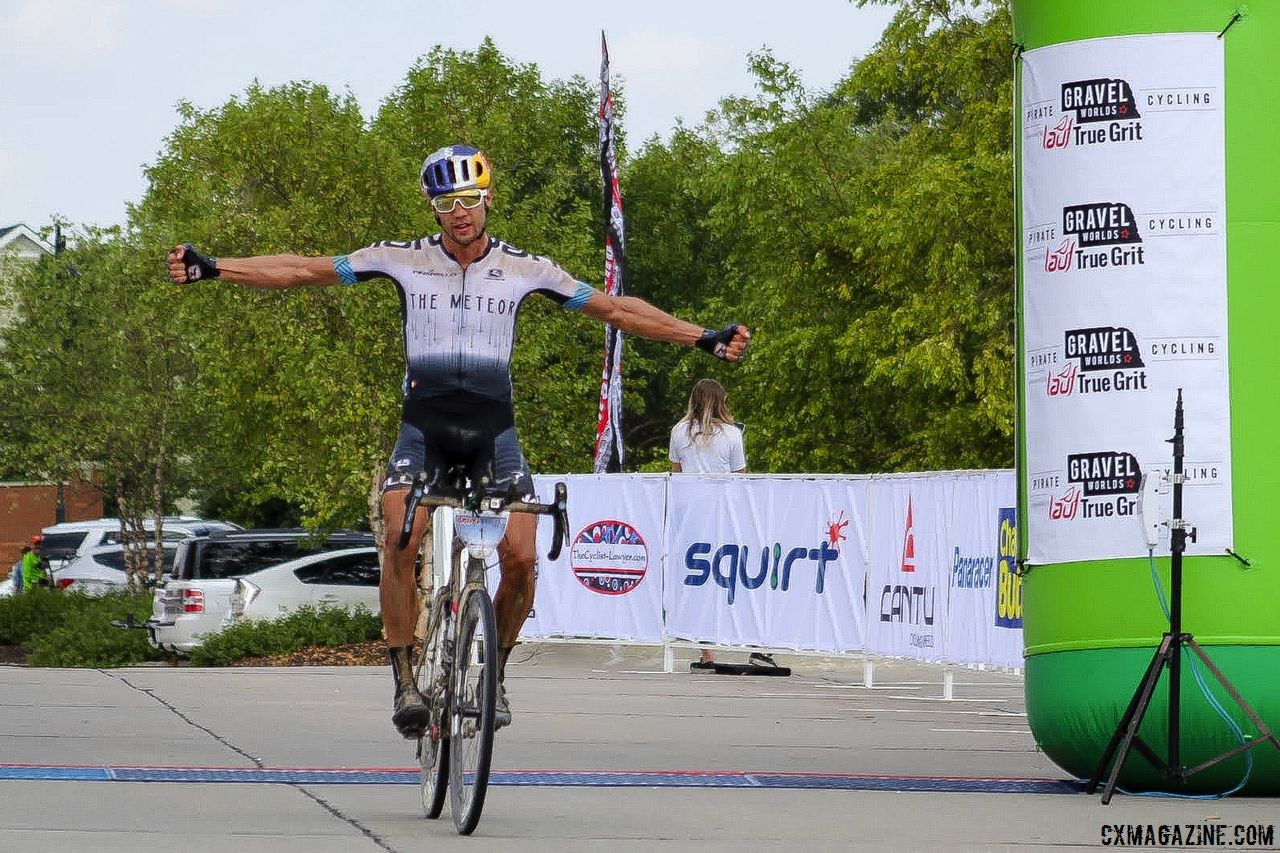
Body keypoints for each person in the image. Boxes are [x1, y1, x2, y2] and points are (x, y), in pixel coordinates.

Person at [167, 143, 750, 738]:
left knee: (521, 558)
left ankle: (492, 671)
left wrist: (702, 337)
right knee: (400, 535)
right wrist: (216, 267)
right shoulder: (400, 259)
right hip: (425, 432)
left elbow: (616, 310)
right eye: (448, 202)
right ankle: (404, 679)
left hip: (494, 435)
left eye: (471, 199)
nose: (461, 212)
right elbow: (306, 269)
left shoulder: (528, 269)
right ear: (433, 206)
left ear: (488, 197)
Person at [670, 378, 746, 667]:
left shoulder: (679, 432)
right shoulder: (732, 434)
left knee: (696, 575)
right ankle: (720, 636)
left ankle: (705, 647)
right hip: (722, 511)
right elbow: (741, 476)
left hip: (690, 512)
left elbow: (676, 474)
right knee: (722, 573)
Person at [669, 379, 746, 475]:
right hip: (722, 489)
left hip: (689, 489)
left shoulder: (678, 430)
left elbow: (676, 471)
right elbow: (739, 474)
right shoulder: (732, 432)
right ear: (721, 403)